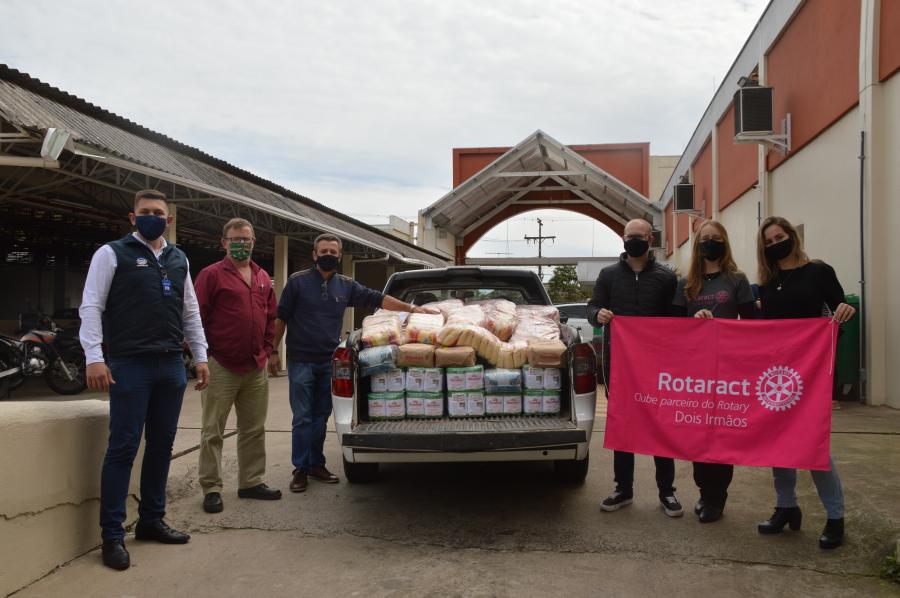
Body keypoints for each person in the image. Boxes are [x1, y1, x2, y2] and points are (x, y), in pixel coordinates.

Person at [80, 189, 210, 571]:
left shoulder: (177, 258)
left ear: (168, 219)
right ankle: (112, 535)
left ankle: (152, 520)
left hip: (170, 365)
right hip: (128, 364)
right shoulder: (111, 253)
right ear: (132, 217)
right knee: (123, 447)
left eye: (159, 213)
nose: (153, 217)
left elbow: (191, 311)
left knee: (161, 445)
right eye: (145, 212)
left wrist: (200, 357)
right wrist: (94, 357)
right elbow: (91, 305)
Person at [269, 234, 439, 492]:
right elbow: (281, 317)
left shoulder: (345, 285)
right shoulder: (298, 282)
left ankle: (316, 464)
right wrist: (273, 351)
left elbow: (376, 299)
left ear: (339, 256)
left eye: (333, 252)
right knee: (303, 417)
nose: (328, 255)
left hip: (329, 360)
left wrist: (412, 310)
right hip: (301, 360)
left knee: (321, 416)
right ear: (315, 255)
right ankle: (300, 469)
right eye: (323, 250)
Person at [755, 216, 855, 549]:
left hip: (810, 374)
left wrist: (845, 311)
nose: (775, 244)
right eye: (768, 242)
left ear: (792, 237)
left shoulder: (819, 272)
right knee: (779, 444)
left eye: (779, 237)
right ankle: (786, 507)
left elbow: (839, 309)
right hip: (776, 376)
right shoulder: (768, 282)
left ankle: (835, 516)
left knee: (814, 447)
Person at [587, 218, 682, 517]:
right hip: (620, 364)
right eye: (629, 236)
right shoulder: (608, 275)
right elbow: (592, 308)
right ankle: (623, 489)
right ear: (623, 239)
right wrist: (597, 314)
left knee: (660, 426)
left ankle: (667, 492)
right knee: (623, 426)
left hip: (658, 365)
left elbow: (677, 321)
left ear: (650, 238)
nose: (634, 240)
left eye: (639, 236)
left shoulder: (667, 279)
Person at [194, 218, 281, 514]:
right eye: (235, 239)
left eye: (246, 239)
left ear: (255, 242)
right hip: (221, 365)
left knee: (253, 428)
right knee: (212, 430)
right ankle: (212, 487)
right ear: (224, 243)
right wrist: (201, 357)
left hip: (255, 366)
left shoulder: (262, 277)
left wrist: (269, 349)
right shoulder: (211, 275)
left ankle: (251, 481)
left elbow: (271, 316)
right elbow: (195, 318)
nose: (241, 244)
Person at [672, 220, 755, 524]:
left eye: (715, 238)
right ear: (697, 245)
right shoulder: (686, 284)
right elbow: (674, 327)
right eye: (705, 239)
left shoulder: (737, 279)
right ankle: (704, 491)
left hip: (728, 369)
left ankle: (717, 498)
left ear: (725, 242)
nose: (710, 243)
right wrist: (696, 321)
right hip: (695, 371)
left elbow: (752, 324)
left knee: (722, 434)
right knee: (699, 433)